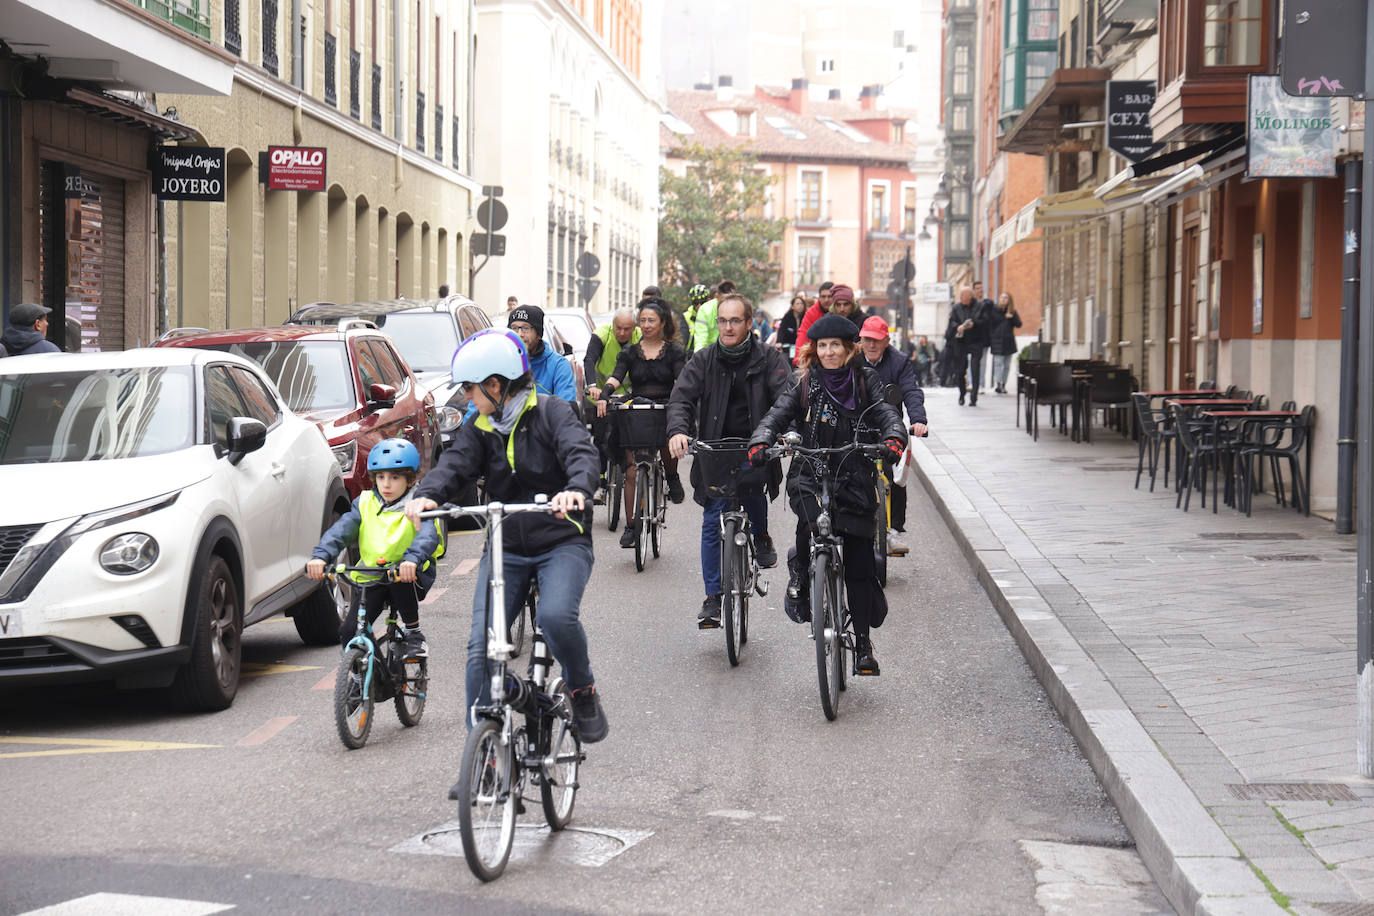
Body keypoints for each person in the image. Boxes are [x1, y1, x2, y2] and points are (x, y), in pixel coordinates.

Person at [404, 328, 608, 742]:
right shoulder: (481, 426)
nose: (467, 398)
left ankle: (582, 690)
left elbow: (581, 455)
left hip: (561, 541)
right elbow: (453, 466)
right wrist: (426, 496)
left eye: (471, 389)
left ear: (495, 385)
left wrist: (576, 490)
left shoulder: (553, 413)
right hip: (507, 546)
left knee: (553, 617)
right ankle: (483, 752)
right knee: (482, 645)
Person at [748, 313, 907, 675]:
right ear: (814, 349)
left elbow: (885, 414)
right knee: (808, 522)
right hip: (810, 469)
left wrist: (894, 438)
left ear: (849, 349)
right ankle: (802, 571)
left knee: (860, 562)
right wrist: (761, 440)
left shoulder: (865, 381)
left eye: (836, 345)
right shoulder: (804, 381)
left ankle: (863, 645)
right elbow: (777, 414)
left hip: (854, 473)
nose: (830, 352)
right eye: (823, 346)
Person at [667, 292, 791, 627]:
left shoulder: (768, 357)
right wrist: (678, 431)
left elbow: (786, 398)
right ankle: (712, 597)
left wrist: (784, 432)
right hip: (715, 448)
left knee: (753, 491)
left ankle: (762, 535)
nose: (727, 327)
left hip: (756, 443)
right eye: (722, 320)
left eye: (735, 320)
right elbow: (681, 398)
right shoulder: (704, 359)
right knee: (712, 519)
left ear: (749, 323)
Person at [307, 438, 444, 657]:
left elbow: (427, 536)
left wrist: (412, 559)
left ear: (410, 479)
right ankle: (367, 673)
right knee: (350, 631)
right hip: (372, 576)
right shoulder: (364, 503)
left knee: (397, 576)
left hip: (411, 574)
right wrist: (322, 556)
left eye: (395, 477)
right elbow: (340, 530)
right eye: (380, 477)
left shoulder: (419, 503)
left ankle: (413, 633)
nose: (386, 484)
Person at [596, 299, 688, 547]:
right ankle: (630, 526)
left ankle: (671, 475)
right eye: (643, 320)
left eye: (652, 320)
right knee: (631, 470)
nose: (646, 325)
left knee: (668, 440)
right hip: (637, 407)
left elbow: (682, 379)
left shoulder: (675, 352)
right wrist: (604, 393)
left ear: (663, 324)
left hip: (666, 406)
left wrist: (682, 397)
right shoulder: (629, 352)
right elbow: (617, 376)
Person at [857, 315, 929, 557]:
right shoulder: (851, 359)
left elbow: (910, 390)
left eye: (877, 340)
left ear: (887, 341)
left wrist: (918, 420)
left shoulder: (898, 361)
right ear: (861, 340)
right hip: (857, 424)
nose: (872, 345)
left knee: (897, 475)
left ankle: (895, 529)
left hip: (890, 425)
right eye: (867, 340)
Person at [585, 308, 641, 501]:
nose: (623, 333)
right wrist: (592, 386)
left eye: (627, 329)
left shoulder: (640, 337)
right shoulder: (602, 334)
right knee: (601, 438)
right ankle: (600, 483)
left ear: (634, 327)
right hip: (602, 396)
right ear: (613, 324)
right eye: (619, 328)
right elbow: (590, 359)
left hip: (630, 396)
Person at [944, 285, 989, 406]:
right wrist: (957, 326)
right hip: (961, 341)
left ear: (970, 296)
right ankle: (962, 393)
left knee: (975, 368)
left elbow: (985, 321)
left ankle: (974, 396)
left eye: (963, 295)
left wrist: (974, 324)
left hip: (976, 340)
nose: (961, 298)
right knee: (960, 370)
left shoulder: (980, 306)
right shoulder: (956, 307)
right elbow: (952, 322)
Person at [796, 283, 862, 365]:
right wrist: (798, 360)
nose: (842, 308)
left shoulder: (862, 319)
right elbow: (803, 335)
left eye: (829, 296)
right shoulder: (812, 314)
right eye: (823, 296)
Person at [688, 279, 735, 355]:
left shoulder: (739, 309)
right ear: (717, 296)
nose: (727, 303)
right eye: (724, 300)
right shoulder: (705, 310)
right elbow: (701, 340)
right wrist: (699, 359)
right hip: (711, 355)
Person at [989, 292, 1023, 394]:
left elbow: (1019, 324)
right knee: (998, 363)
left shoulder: (1012, 312)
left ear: (1009, 300)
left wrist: (1012, 317)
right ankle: (998, 384)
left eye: (1006, 298)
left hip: (1009, 341)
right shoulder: (994, 310)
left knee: (1007, 364)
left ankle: (1004, 384)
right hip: (997, 340)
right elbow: (991, 323)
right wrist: (1004, 317)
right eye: (1002, 297)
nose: (1003, 299)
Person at [971, 281, 995, 389]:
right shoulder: (970, 303)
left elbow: (990, 318)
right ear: (973, 290)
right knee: (971, 362)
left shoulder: (988, 303)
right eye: (977, 288)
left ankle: (981, 384)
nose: (980, 290)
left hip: (984, 337)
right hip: (971, 338)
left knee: (983, 362)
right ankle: (972, 383)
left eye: (981, 288)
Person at [773, 292, 808, 359]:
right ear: (792, 306)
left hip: (801, 347)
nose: (800, 305)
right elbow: (782, 330)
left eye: (802, 304)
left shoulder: (806, 317)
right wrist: (779, 342)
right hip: (787, 345)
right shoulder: (787, 317)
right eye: (797, 304)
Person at [682, 283, 713, 353]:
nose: (699, 306)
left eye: (702, 302)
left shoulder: (714, 314)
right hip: (692, 354)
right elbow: (683, 340)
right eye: (696, 303)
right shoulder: (686, 316)